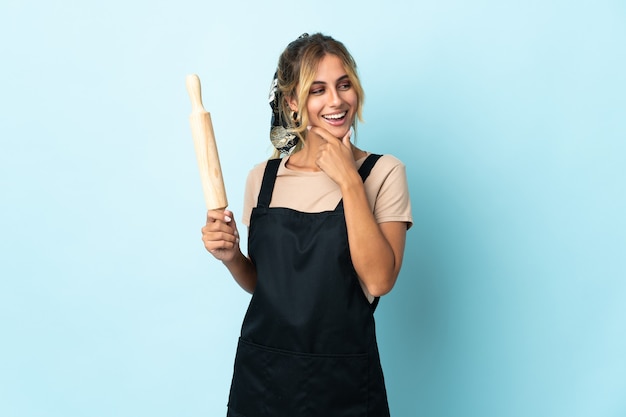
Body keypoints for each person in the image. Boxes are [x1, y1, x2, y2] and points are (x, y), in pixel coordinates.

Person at [201, 33, 412, 417]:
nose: (336, 100)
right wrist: (232, 257)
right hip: (262, 380)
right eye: (318, 90)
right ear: (292, 102)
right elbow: (268, 286)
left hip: (342, 383)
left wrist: (349, 181)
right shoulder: (261, 179)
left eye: (344, 84)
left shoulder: (383, 173)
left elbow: (380, 281)